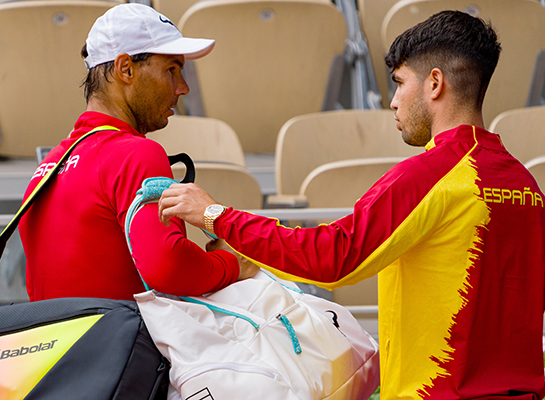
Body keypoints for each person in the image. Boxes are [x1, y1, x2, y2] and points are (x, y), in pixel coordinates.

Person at [158, 10, 545, 399]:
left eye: (399, 84)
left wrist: (216, 216)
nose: (393, 102)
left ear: (435, 83)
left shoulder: (435, 174)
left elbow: (334, 256)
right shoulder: (525, 184)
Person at [19, 3, 258, 302]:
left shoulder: (49, 165)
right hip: (123, 346)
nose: (182, 87)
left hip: (57, 346)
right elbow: (170, 269)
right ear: (125, 69)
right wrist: (232, 264)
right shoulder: (136, 154)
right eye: (171, 69)